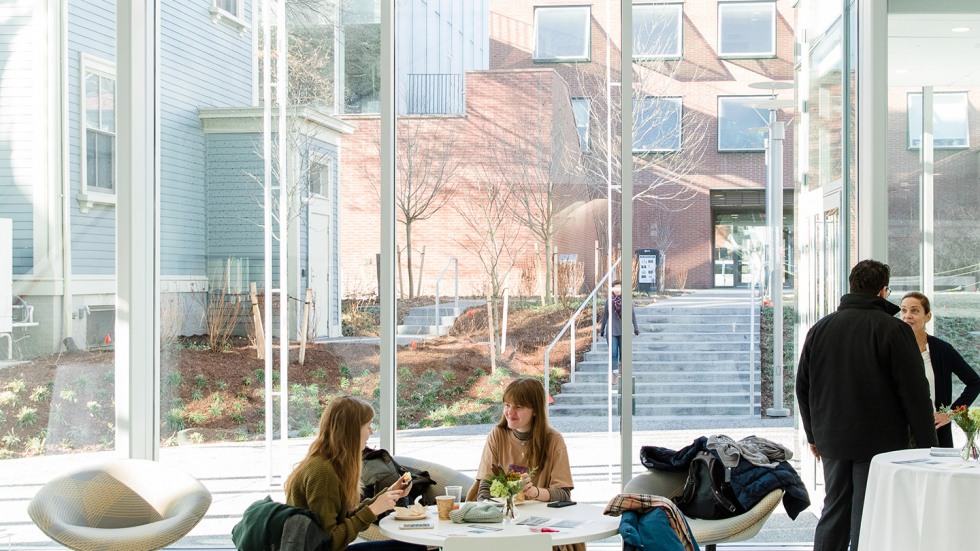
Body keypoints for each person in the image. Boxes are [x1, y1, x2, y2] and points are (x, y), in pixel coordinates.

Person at [796, 259, 937, 551]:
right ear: (883, 291)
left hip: (832, 438)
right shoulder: (894, 330)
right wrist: (928, 445)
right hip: (879, 441)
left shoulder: (820, 328)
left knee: (834, 509)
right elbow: (915, 393)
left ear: (852, 286)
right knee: (868, 512)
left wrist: (813, 435)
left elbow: (803, 387)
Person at [284, 395, 425, 551]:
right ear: (352, 431)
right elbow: (327, 543)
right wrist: (372, 510)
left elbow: (344, 518)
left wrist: (389, 494)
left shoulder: (329, 463)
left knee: (414, 548)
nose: (371, 432)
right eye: (368, 426)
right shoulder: (322, 473)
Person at [472, 378, 583, 551]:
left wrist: (534, 492)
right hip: (503, 523)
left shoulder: (554, 440)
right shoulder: (497, 435)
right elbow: (484, 488)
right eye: (507, 405)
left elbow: (563, 494)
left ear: (535, 411)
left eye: (518, 406)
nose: (510, 412)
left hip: (542, 525)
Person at [900, 291, 980, 447]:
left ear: (928, 316)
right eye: (903, 310)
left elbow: (975, 382)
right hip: (900, 432)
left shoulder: (942, 349)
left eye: (914, 310)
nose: (907, 315)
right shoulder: (894, 349)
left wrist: (951, 414)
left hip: (934, 430)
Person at [599, 279, 639, 386]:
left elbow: (632, 315)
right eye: (615, 287)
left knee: (623, 353)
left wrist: (636, 328)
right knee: (613, 353)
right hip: (611, 330)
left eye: (619, 287)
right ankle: (615, 374)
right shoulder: (609, 300)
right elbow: (605, 316)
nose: (618, 290)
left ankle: (621, 365)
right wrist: (602, 330)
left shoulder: (627, 300)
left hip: (624, 330)